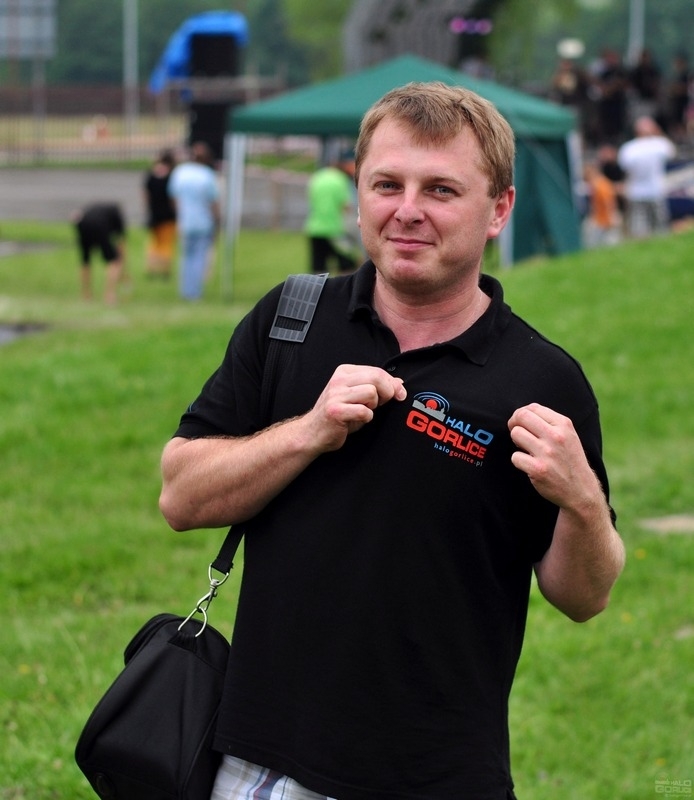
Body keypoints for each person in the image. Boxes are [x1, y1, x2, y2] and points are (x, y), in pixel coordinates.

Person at [159, 82, 625, 800]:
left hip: (436, 777)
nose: (407, 210)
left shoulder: (541, 380)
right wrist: (310, 431)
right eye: (386, 184)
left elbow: (584, 596)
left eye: (441, 189)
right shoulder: (291, 318)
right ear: (359, 194)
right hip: (260, 763)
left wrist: (583, 502)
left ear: (499, 209)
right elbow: (181, 496)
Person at [168, 141, 220, 300]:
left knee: (186, 257)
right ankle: (194, 292)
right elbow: (213, 202)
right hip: (203, 222)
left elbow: (173, 197)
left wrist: (180, 213)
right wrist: (217, 220)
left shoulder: (180, 172)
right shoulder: (207, 175)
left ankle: (186, 290)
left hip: (185, 221)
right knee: (199, 257)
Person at [618, 116, 676, 238]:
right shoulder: (659, 144)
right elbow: (672, 152)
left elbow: (624, 169)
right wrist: (659, 133)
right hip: (653, 191)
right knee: (660, 229)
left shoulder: (628, 148)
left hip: (638, 192)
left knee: (640, 230)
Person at [304, 150, 359, 274]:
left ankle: (319, 287)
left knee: (318, 266)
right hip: (335, 229)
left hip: (315, 228)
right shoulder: (340, 180)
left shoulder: (317, 177)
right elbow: (346, 206)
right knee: (347, 265)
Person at [73, 202, 126, 305]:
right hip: (100, 225)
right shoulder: (116, 214)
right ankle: (109, 295)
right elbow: (121, 242)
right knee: (114, 260)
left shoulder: (103, 209)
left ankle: (86, 294)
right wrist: (124, 268)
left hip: (82, 223)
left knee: (85, 260)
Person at [143, 148, 177, 279]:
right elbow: (173, 198)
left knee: (154, 243)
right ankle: (164, 271)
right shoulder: (172, 176)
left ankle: (151, 268)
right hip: (168, 215)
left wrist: (149, 208)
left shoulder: (151, 174)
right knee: (166, 244)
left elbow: (145, 195)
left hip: (154, 214)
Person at [582, 160, 622, 248]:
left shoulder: (601, 185)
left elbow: (609, 202)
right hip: (600, 219)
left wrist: (611, 216)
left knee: (608, 244)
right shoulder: (597, 185)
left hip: (605, 219)